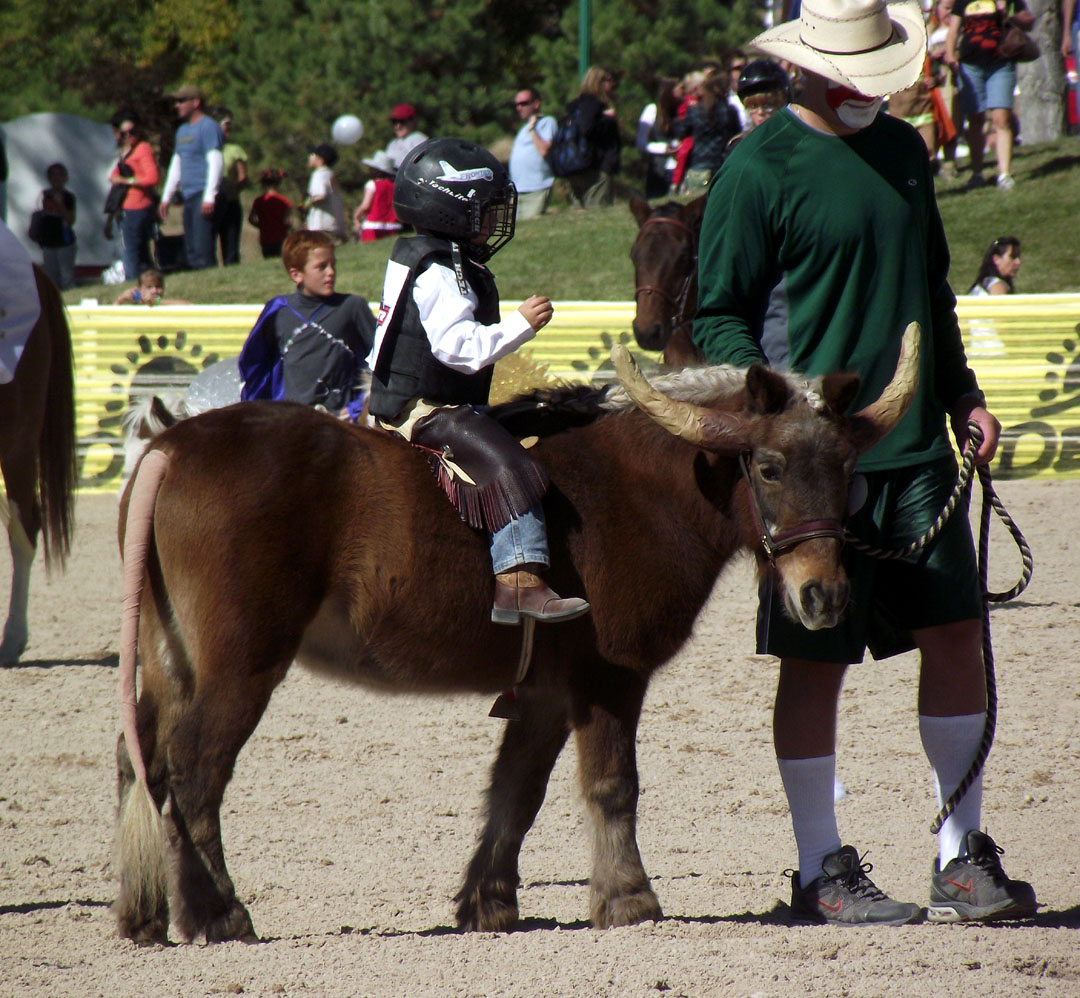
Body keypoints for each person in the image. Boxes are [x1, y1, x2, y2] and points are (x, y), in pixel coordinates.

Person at [693, 0, 1035, 926]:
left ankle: (959, 854)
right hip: (811, 468)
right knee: (815, 664)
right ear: (804, 68)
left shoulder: (906, 153)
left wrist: (961, 394)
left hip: (918, 444)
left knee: (957, 634)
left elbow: (931, 292)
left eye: (876, 75)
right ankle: (819, 871)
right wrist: (788, 401)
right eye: (850, 76)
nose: (866, 93)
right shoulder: (754, 167)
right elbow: (717, 316)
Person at [366, 136, 589, 626]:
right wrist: (521, 324)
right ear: (452, 209)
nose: (494, 221)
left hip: (420, 400)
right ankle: (518, 583)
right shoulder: (441, 270)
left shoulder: (432, 256)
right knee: (511, 465)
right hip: (425, 409)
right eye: (486, 210)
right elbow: (459, 350)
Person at [238, 229, 375, 418]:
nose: (331, 272)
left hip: (339, 421)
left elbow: (379, 360)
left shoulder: (352, 306)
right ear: (296, 275)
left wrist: (356, 408)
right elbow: (257, 365)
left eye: (333, 264)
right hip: (291, 421)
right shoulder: (278, 311)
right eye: (322, 267)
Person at [945, 0, 1034, 190]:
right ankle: (977, 173)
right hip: (970, 65)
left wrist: (1007, 13)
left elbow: (1028, 22)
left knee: (1001, 119)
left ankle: (1004, 174)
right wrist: (950, 55)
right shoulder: (963, 2)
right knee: (975, 119)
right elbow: (953, 30)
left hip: (1001, 63)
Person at [159, 84, 224, 269]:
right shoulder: (182, 131)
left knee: (203, 248)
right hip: (188, 195)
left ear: (195, 103)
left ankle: (210, 285)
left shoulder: (208, 126)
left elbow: (216, 162)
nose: (177, 105)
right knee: (192, 248)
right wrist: (166, 197)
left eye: (181, 101)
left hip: (202, 193)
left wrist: (210, 197)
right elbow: (177, 164)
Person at [108, 110, 160, 281]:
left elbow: (152, 177)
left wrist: (126, 180)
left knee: (132, 250)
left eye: (133, 132)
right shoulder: (126, 152)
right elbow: (114, 176)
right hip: (126, 206)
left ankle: (132, 281)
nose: (129, 136)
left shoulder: (143, 149)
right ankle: (148, 282)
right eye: (124, 133)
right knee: (139, 250)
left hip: (138, 206)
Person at [671, 71, 741, 191]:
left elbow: (681, 132)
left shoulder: (694, 111)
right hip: (721, 165)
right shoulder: (729, 111)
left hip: (698, 166)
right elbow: (737, 134)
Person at [563, 67, 621, 210]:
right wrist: (608, 119)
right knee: (598, 211)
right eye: (608, 80)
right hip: (596, 167)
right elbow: (587, 128)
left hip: (576, 166)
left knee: (580, 213)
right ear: (598, 82)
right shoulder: (592, 103)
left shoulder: (577, 106)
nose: (612, 84)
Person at [508, 87, 557, 220]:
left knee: (533, 224)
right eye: (517, 104)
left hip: (537, 188)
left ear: (536, 104)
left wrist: (532, 129)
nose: (519, 108)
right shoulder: (523, 129)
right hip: (519, 190)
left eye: (523, 103)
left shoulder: (547, 122)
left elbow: (544, 150)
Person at [635, 77, 680, 199]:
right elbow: (640, 142)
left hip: (679, 169)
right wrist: (663, 148)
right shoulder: (652, 110)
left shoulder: (683, 110)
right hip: (659, 170)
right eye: (679, 88)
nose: (682, 91)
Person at [34, 163, 77, 290]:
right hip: (48, 242)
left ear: (65, 178)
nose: (57, 179)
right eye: (53, 175)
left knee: (66, 277)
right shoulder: (43, 196)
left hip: (64, 242)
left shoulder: (68, 197)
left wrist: (59, 204)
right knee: (51, 278)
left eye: (60, 175)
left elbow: (70, 220)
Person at [216, 110, 249, 265]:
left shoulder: (234, 150)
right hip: (211, 203)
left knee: (230, 243)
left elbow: (243, 177)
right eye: (225, 124)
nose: (229, 128)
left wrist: (232, 191)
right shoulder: (206, 150)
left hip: (230, 202)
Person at [302, 144, 347, 243]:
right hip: (334, 225)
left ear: (320, 159)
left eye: (312, 155)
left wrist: (306, 203)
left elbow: (321, 196)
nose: (309, 157)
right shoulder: (330, 174)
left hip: (321, 225)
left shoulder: (319, 174)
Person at [352, 150, 401, 242]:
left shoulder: (372, 184)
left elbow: (366, 205)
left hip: (374, 225)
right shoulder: (394, 185)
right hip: (393, 225)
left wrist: (356, 215)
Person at [248, 168, 293, 258]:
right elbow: (288, 221)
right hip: (281, 237)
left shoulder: (259, 201)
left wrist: (261, 225)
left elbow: (251, 219)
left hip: (265, 238)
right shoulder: (285, 201)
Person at [384, 103, 428, 168]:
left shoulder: (418, 139)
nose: (398, 126)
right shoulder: (392, 143)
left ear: (412, 121)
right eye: (394, 121)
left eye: (402, 121)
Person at [114, 267, 189, 305]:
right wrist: (121, 299)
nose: (154, 291)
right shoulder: (135, 304)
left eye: (158, 287)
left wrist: (158, 302)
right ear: (139, 289)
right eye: (149, 287)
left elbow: (189, 306)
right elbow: (110, 316)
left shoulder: (163, 304)